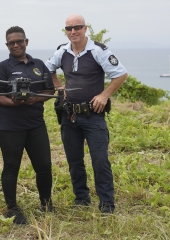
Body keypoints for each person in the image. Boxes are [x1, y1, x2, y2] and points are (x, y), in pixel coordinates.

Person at [45, 14, 128, 214]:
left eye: (77, 27)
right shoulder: (62, 52)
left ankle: (107, 204)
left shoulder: (98, 51)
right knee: (74, 160)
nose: (73, 31)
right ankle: (81, 198)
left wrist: (104, 95)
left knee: (100, 160)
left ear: (85, 28)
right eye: (69, 28)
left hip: (93, 115)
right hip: (69, 115)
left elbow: (121, 74)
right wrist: (58, 86)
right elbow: (47, 69)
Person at [0, 26, 54, 224]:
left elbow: (49, 90)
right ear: (7, 45)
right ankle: (12, 208)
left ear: (27, 41)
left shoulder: (39, 65)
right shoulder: (2, 68)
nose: (16, 45)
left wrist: (36, 99)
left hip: (35, 124)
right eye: (11, 43)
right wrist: (13, 102)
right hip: (9, 126)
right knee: (11, 166)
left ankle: (46, 203)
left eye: (19, 41)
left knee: (43, 165)